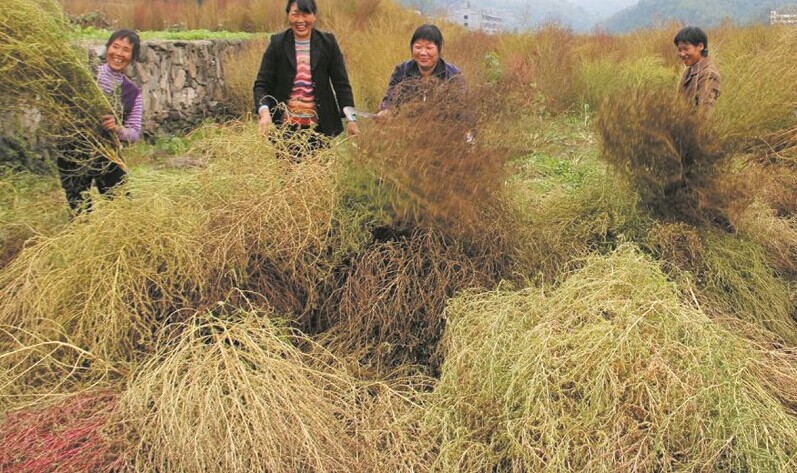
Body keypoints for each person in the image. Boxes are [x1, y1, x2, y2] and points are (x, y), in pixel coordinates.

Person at [253, 0, 359, 152]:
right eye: (295, 14)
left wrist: (351, 120)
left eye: (306, 14)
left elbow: (341, 84)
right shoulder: (277, 43)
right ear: (288, 15)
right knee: (287, 172)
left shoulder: (327, 43)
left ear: (314, 16)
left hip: (319, 128)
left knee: (318, 173)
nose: (300, 20)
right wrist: (264, 113)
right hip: (284, 128)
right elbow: (262, 84)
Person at [57, 29, 143, 214]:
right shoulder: (84, 75)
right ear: (107, 48)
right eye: (115, 47)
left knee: (121, 209)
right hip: (74, 151)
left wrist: (117, 129)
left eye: (126, 50)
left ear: (132, 57)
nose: (119, 54)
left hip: (107, 155)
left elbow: (134, 133)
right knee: (79, 213)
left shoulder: (132, 92)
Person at [377, 24, 464, 116]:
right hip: (403, 125)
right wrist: (386, 110)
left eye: (429, 48)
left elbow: (459, 109)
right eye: (418, 47)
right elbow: (389, 98)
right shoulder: (402, 70)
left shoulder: (453, 74)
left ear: (439, 49)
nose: (423, 53)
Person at [674, 26, 721, 110]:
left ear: (700, 46)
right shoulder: (688, 71)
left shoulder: (709, 75)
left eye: (686, 49)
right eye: (680, 50)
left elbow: (705, 112)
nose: (682, 54)